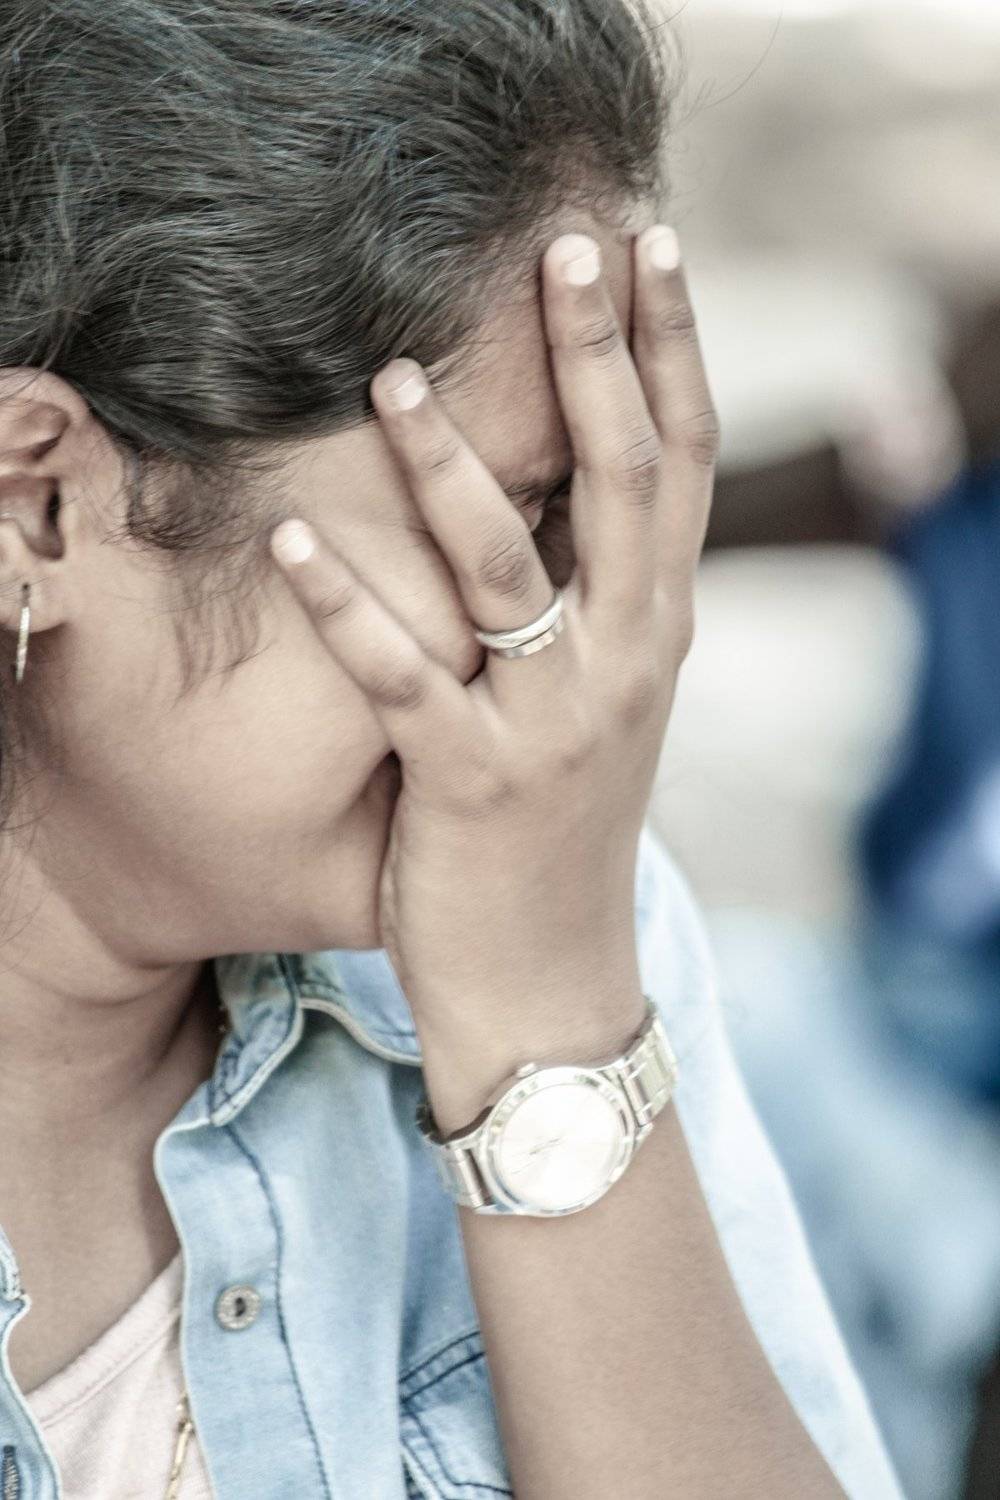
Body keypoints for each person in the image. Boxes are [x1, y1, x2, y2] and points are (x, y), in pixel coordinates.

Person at [0, 3, 904, 1497]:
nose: (595, 653)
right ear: (39, 503)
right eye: (510, 518)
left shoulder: (555, 904)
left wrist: (548, 1027)